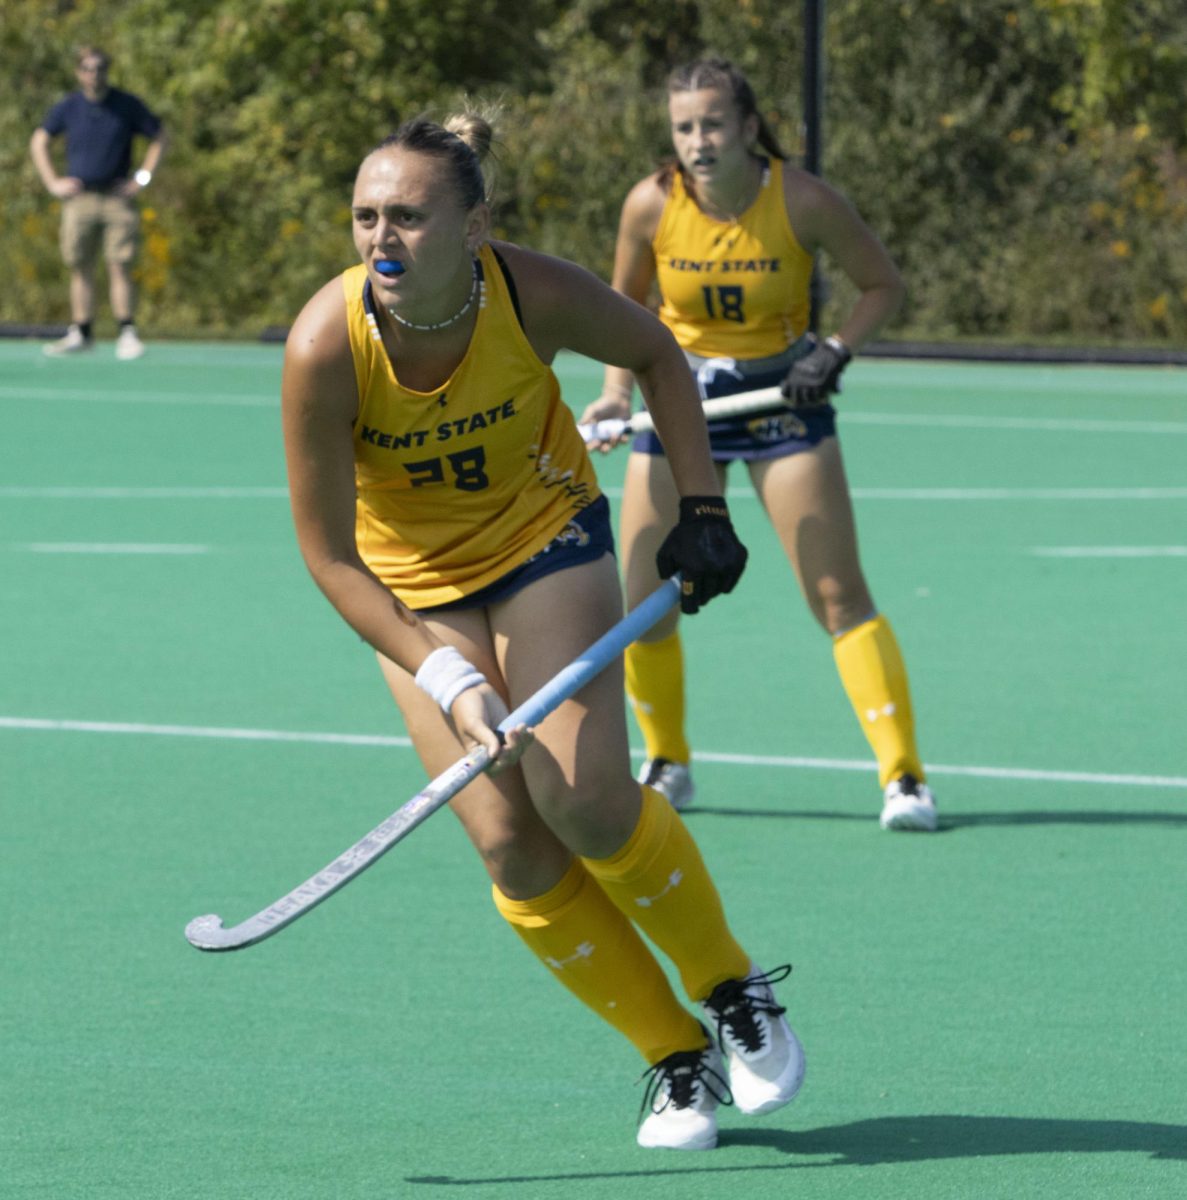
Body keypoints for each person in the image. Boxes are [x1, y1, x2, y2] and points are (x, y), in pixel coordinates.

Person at [280, 112, 805, 1150]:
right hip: (414, 588)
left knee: (587, 799)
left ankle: (729, 985)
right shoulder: (323, 346)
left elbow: (657, 352)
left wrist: (701, 508)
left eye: (409, 217)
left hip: (541, 541)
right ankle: (671, 1057)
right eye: (365, 216)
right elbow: (332, 558)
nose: (382, 239)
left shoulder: (531, 292)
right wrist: (442, 674)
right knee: (511, 845)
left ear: (473, 225)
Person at [580, 58, 937, 832]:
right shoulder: (650, 204)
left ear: (746, 127)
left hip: (782, 407)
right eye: (683, 128)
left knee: (837, 595)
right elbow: (622, 308)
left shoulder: (802, 200)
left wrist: (835, 348)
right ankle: (667, 761)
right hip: (679, 407)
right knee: (647, 601)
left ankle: (903, 777)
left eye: (712, 124)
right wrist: (614, 394)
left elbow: (882, 284)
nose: (698, 142)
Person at [30, 45, 166, 360]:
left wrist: (142, 179)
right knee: (80, 264)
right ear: (79, 72)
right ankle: (83, 331)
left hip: (117, 197)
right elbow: (39, 141)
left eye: (100, 67)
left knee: (119, 263)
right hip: (79, 198)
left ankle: (127, 332)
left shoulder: (126, 105)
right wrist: (53, 182)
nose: (95, 74)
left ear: (107, 70)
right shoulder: (68, 107)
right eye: (88, 68)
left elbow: (160, 137)